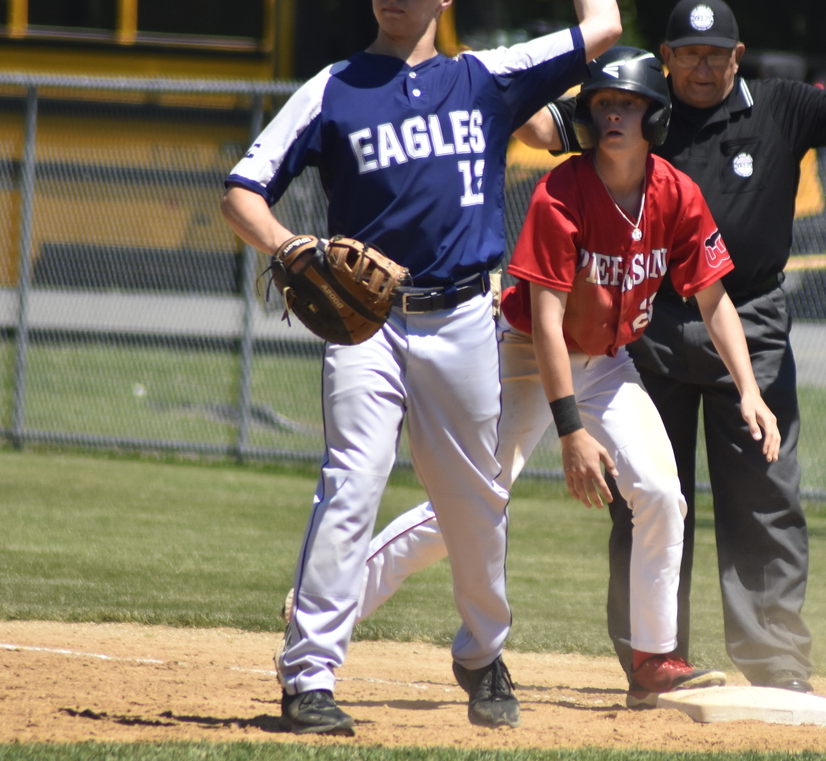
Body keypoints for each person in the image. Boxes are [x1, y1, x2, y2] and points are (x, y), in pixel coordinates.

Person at [220, 0, 620, 735]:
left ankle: (480, 652)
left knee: (474, 500)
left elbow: (603, 29)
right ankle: (308, 677)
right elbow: (243, 189)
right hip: (364, 326)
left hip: (465, 316)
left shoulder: (482, 78)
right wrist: (289, 245)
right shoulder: (332, 89)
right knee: (350, 485)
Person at [330, 47, 781, 708]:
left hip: (608, 362)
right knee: (476, 501)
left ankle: (655, 659)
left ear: (654, 116)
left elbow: (714, 297)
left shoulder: (674, 194)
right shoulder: (562, 192)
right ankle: (335, 597)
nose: (614, 116)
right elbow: (543, 319)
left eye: (628, 104)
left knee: (660, 492)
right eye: (602, 105)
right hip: (525, 355)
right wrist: (570, 430)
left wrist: (749, 390)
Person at [520, 0, 826, 692]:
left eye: (716, 54)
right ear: (666, 58)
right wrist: (521, 72)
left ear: (738, 56)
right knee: (647, 493)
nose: (702, 67)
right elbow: (541, 129)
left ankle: (776, 662)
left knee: (764, 490)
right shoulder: (635, 100)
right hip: (645, 317)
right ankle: (652, 652)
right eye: (687, 53)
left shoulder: (780, 105)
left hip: (748, 316)